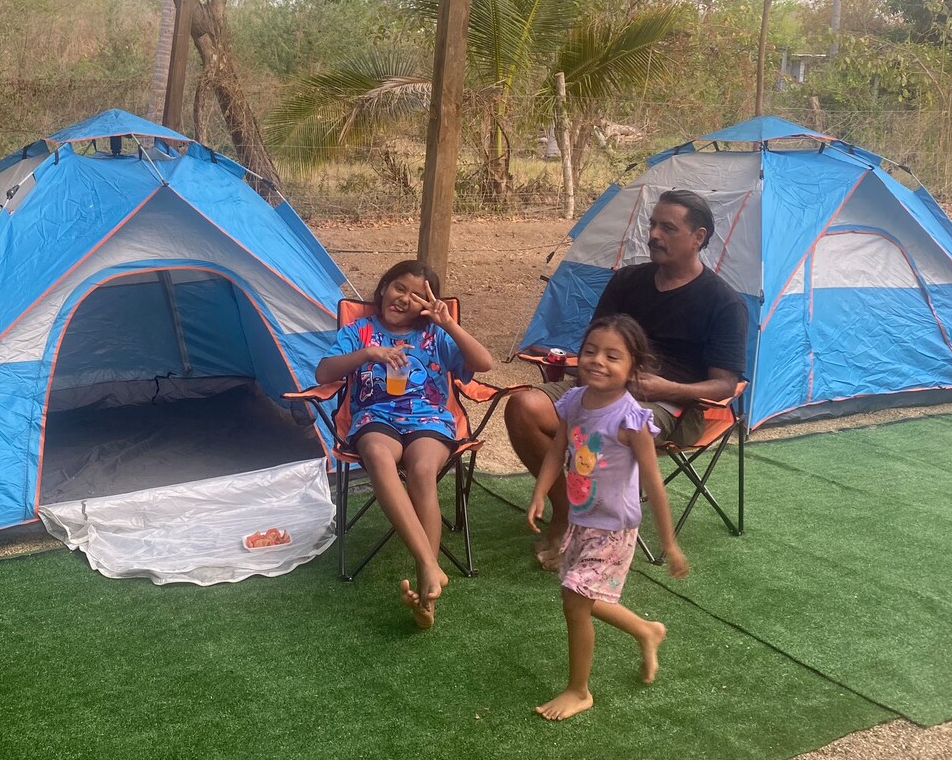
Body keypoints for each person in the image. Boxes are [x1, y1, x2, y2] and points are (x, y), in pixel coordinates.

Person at [508, 188, 747, 566]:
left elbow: (724, 384)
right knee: (522, 405)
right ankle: (567, 512)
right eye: (653, 225)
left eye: (668, 228)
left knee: (612, 427)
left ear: (698, 237)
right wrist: (584, 374)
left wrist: (668, 387)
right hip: (600, 384)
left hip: (668, 404)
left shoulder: (724, 302)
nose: (654, 235)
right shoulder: (627, 281)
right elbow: (595, 341)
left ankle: (597, 531)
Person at [316, 259, 494, 630]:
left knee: (423, 470)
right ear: (384, 287)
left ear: (427, 304)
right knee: (377, 455)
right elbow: (324, 372)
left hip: (428, 419)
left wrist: (448, 323)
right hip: (376, 418)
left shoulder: (435, 335)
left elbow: (484, 363)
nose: (404, 299)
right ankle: (430, 565)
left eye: (416, 295)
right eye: (399, 288)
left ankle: (426, 595)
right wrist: (368, 354)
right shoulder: (361, 331)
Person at [526, 314, 689, 720]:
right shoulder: (573, 402)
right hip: (581, 519)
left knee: (574, 601)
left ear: (633, 369)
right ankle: (646, 630)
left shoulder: (630, 419)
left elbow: (654, 483)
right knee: (583, 597)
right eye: (591, 351)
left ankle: (579, 691)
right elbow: (558, 449)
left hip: (614, 528)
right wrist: (540, 492)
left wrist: (669, 543)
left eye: (613, 356)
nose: (598, 360)